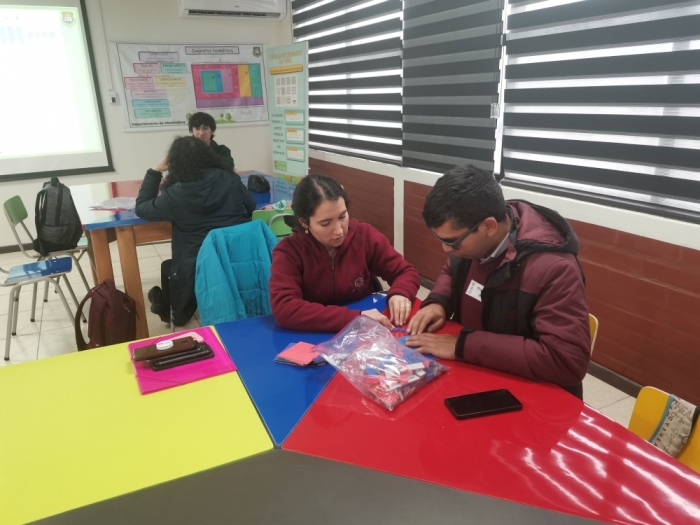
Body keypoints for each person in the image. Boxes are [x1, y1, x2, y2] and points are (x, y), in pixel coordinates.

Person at [405, 166, 591, 398]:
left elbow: (566, 361)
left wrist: (464, 345)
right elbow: (452, 270)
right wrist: (438, 302)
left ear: (489, 226)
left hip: (530, 395)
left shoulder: (555, 269)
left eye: (452, 241)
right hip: (475, 373)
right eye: (440, 239)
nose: (446, 249)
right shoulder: (474, 240)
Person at [269, 174, 420, 332]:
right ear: (304, 222)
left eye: (342, 216)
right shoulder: (289, 252)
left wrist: (400, 293)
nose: (339, 231)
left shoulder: (365, 236)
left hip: (365, 333)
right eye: (325, 223)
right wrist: (355, 319)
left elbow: (406, 272)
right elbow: (284, 308)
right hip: (314, 334)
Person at [135, 136, 255, 326]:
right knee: (171, 266)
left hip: (197, 265)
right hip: (238, 258)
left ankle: (170, 310)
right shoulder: (230, 179)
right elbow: (251, 206)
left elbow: (142, 208)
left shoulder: (174, 194)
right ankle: (166, 305)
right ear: (208, 156)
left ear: (174, 164)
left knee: (169, 267)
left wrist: (154, 171)